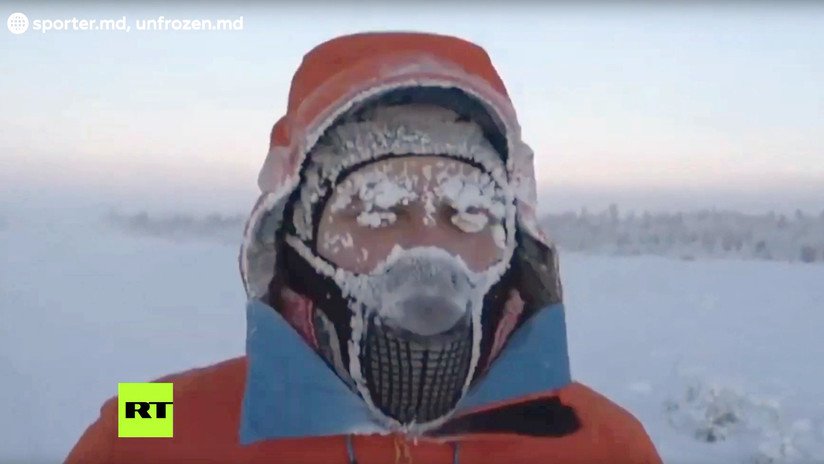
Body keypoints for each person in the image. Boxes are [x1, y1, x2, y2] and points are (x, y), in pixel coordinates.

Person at [66, 32, 662, 464]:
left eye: (470, 213)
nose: (429, 249)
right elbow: (127, 417)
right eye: (377, 211)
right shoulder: (147, 423)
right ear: (294, 237)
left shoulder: (606, 443)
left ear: (516, 244)